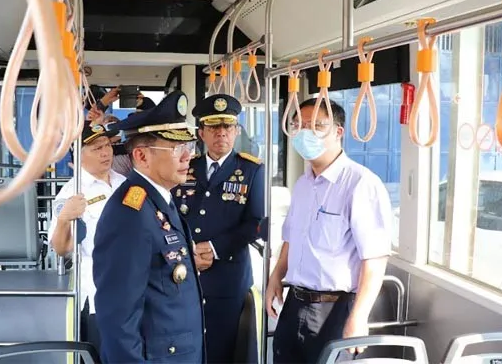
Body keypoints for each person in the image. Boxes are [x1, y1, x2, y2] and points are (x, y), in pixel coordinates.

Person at [266, 98, 392, 363]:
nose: (304, 133)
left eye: (316, 126)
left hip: (335, 309)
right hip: (295, 302)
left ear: (338, 131)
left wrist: (359, 317)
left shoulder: (360, 184)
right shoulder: (302, 184)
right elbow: (291, 237)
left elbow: (375, 258)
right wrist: (276, 276)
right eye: (298, 126)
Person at [93, 90, 206, 363]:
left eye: (189, 148)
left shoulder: (160, 200)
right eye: (177, 149)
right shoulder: (130, 213)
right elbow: (118, 317)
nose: (187, 157)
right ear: (142, 156)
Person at [171, 93, 266, 363]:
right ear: (201, 133)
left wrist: (214, 248)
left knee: (224, 349)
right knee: (186, 345)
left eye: (227, 127)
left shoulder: (251, 170)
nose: (220, 133)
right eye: (213, 127)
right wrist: (188, 249)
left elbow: (255, 223)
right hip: (184, 272)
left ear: (236, 131)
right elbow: (171, 215)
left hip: (228, 277)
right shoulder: (187, 167)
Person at [47, 121, 126, 354]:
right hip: (99, 292)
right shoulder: (72, 193)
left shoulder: (123, 182)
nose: (106, 153)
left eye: (107, 145)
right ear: (79, 154)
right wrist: (64, 220)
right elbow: (61, 248)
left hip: (133, 286)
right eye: (97, 148)